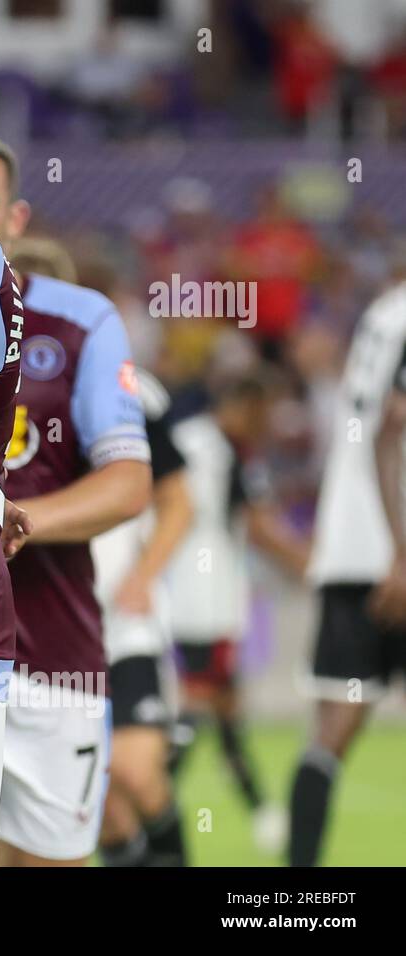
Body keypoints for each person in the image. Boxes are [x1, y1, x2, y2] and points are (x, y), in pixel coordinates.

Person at [0, 127, 153, 866]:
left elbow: (130, 482)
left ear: (15, 218)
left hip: (51, 662)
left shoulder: (78, 321)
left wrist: (25, 521)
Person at [163, 370, 309, 854]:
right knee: (202, 703)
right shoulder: (213, 449)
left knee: (222, 709)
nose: (263, 427)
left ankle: (261, 810)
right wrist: (309, 565)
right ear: (243, 406)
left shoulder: (202, 443)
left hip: (201, 596)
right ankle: (153, 805)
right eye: (260, 416)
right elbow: (261, 527)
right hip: (202, 599)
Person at [290, 279, 406, 865]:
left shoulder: (385, 315)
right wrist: (402, 555)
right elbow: (393, 427)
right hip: (392, 552)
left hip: (350, 547)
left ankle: (296, 897)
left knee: (333, 731)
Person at [92, 368, 194, 866]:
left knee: (134, 770)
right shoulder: (1, 370)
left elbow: (179, 501)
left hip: (125, 627)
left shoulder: (131, 386)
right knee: (100, 798)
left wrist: (143, 575)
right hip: (48, 630)